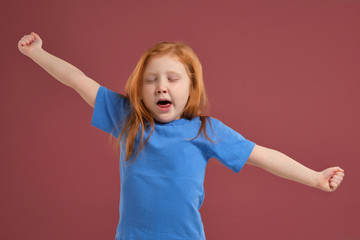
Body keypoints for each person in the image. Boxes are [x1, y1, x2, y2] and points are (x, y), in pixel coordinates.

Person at [18, 32, 345, 240]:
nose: (161, 85)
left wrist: (315, 177)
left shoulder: (206, 130)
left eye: (172, 78)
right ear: (140, 91)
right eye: (151, 80)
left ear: (190, 88)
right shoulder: (128, 118)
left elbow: (263, 155)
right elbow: (78, 79)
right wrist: (38, 53)